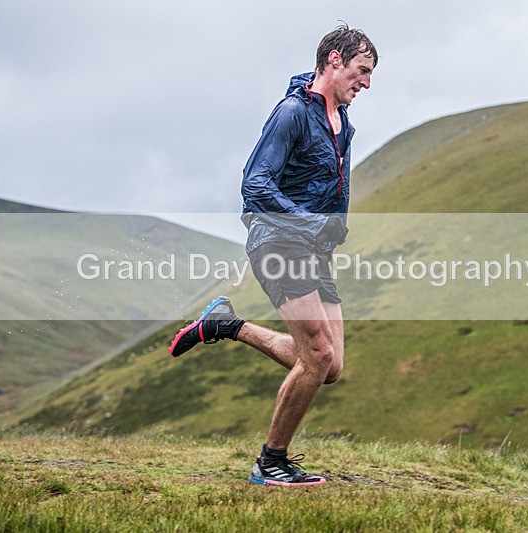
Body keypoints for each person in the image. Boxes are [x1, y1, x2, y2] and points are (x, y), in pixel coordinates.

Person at [169, 24, 377, 486]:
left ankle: (225, 325)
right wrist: (307, 223)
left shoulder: (343, 123)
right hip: (279, 241)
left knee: (329, 366)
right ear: (335, 60)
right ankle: (271, 462)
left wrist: (333, 228)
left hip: (314, 249)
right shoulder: (291, 114)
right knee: (317, 354)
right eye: (362, 70)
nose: (366, 82)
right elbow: (255, 184)